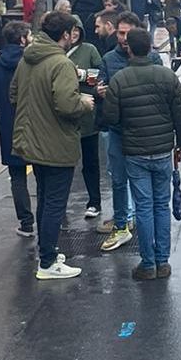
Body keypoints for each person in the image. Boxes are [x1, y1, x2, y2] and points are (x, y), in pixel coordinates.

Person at [10, 11, 93, 280]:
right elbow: (67, 104)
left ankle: (47, 251)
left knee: (45, 199)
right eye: (71, 33)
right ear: (66, 34)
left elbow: (13, 94)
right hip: (56, 142)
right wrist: (84, 101)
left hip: (31, 140)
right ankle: (47, 262)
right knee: (55, 203)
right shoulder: (61, 63)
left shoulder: (28, 58)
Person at [103, 28, 181, 281]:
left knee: (143, 207)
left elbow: (110, 117)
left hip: (135, 152)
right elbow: (180, 114)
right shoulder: (166, 77)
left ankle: (148, 263)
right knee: (161, 205)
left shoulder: (119, 80)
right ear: (151, 47)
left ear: (129, 48)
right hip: (163, 150)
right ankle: (163, 261)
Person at [96, 12, 163, 250]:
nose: (123, 38)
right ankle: (122, 224)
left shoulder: (153, 59)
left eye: (127, 33)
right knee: (118, 179)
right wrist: (102, 93)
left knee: (147, 186)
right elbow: (100, 87)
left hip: (145, 132)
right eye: (120, 33)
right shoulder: (108, 59)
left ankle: (150, 234)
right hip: (117, 130)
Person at [0, 20, 35, 238]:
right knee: (43, 172)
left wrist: (4, 111)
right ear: (22, 39)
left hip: (8, 125)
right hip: (34, 123)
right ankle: (49, 218)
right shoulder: (32, 63)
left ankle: (26, 222)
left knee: (17, 176)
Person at [66, 16, 103, 220]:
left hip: (88, 115)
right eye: (70, 30)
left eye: (77, 30)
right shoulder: (58, 52)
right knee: (65, 163)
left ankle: (94, 201)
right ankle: (61, 203)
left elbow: (100, 74)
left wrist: (82, 75)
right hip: (66, 114)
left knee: (91, 161)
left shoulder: (89, 49)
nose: (74, 33)